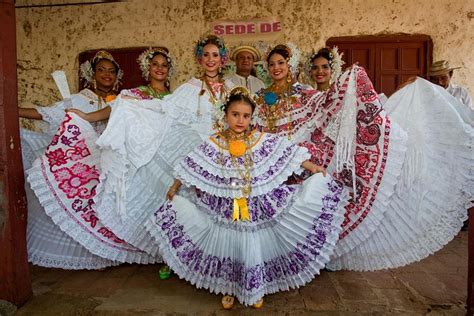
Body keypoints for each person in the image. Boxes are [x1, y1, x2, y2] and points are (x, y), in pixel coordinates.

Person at [256, 44, 473, 272]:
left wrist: (352, 77)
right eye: (271, 64)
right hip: (273, 162)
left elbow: (328, 108)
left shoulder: (306, 93)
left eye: (281, 63)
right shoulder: (260, 98)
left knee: (308, 208)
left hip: (301, 162)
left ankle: (307, 257)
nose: (276, 68)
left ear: (289, 66)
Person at [148, 86, 344, 308]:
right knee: (229, 244)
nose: (240, 120)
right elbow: (192, 164)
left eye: (246, 116)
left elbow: (287, 153)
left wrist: (313, 167)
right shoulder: (215, 142)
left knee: (252, 243)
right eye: (235, 114)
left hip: (256, 205)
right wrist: (175, 186)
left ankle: (255, 287)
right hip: (225, 206)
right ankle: (229, 286)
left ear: (251, 117)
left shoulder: (260, 139)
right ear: (226, 115)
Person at [93, 35, 234, 266]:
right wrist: (131, 104)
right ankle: (187, 256)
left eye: (215, 55)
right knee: (191, 202)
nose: (210, 60)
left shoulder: (231, 88)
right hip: (199, 151)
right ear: (199, 59)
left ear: (222, 60)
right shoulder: (189, 87)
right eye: (206, 55)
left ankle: (223, 255)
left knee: (225, 203)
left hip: (227, 151)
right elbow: (164, 109)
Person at [24, 51, 157, 268]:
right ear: (93, 74)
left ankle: (111, 249)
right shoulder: (79, 99)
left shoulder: (123, 100)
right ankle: (88, 252)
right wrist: (12, 111)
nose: (107, 74)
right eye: (102, 70)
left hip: (111, 161)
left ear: (117, 76)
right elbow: (46, 113)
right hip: (86, 160)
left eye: (111, 71)